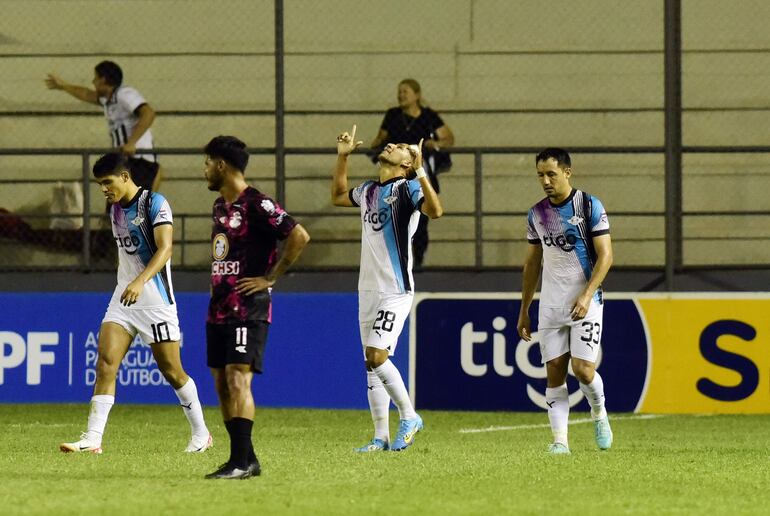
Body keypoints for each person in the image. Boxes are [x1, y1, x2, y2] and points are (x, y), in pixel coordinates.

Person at [60, 152, 211, 454]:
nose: (103, 189)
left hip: (154, 300)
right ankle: (93, 439)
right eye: (100, 184)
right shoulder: (115, 210)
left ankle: (201, 433)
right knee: (105, 363)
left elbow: (166, 249)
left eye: (107, 182)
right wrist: (128, 282)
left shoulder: (155, 203)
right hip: (123, 297)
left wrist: (140, 280)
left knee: (172, 371)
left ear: (125, 177)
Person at [203, 136, 310, 480]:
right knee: (221, 382)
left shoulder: (257, 203)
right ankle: (245, 459)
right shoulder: (220, 205)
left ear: (221, 165)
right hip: (218, 308)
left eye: (207, 163)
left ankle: (239, 462)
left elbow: (299, 235)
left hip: (247, 308)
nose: (204, 170)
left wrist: (270, 277)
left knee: (238, 378)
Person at [333, 125, 443, 452]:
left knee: (377, 355)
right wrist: (342, 159)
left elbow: (436, 211)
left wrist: (422, 169)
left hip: (395, 290)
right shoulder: (368, 190)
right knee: (370, 363)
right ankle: (380, 436)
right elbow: (338, 196)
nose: (391, 144)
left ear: (407, 164)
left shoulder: (409, 188)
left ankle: (409, 416)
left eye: (401, 148)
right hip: (367, 288)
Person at [516, 148, 614, 455]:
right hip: (551, 305)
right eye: (540, 175)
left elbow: (606, 256)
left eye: (551, 174)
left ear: (567, 173)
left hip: (586, 301)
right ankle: (560, 442)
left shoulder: (589, 206)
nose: (545, 181)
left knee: (583, 369)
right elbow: (532, 264)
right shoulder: (536, 214)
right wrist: (525, 309)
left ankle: (598, 411)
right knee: (554, 372)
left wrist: (586, 295)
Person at [369, 79, 454, 267]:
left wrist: (436, 145)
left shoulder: (428, 116)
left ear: (416, 95)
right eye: (399, 91)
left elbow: (448, 138)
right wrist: (378, 147)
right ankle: (393, 257)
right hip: (395, 172)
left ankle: (418, 259)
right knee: (393, 214)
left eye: (405, 91)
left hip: (417, 169)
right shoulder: (392, 115)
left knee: (421, 217)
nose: (401, 95)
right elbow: (379, 139)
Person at [45, 61, 162, 191]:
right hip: (124, 160)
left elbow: (148, 113)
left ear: (103, 79)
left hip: (139, 160)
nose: (93, 82)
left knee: (131, 208)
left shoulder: (124, 94)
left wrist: (131, 143)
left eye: (95, 78)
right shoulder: (108, 99)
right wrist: (64, 86)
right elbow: (86, 94)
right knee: (116, 207)